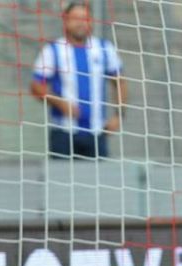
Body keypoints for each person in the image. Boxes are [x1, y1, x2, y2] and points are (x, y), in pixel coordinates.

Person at [30, 2, 127, 159]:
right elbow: (36, 86)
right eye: (76, 18)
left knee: (99, 180)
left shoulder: (104, 48)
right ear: (66, 21)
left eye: (85, 18)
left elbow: (120, 81)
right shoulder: (53, 50)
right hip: (63, 132)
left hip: (97, 132)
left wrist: (119, 115)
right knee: (61, 181)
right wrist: (61, 103)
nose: (81, 23)